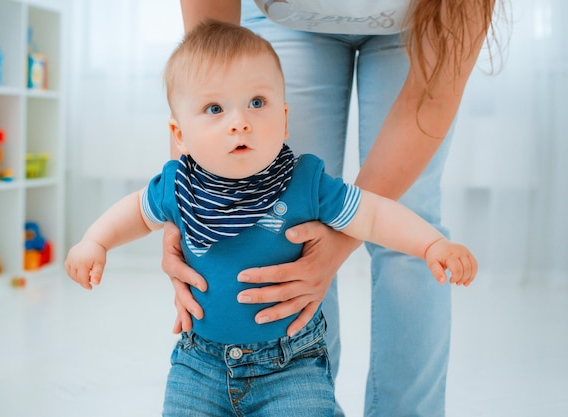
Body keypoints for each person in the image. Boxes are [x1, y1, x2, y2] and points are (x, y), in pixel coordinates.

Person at [66, 21, 477, 416]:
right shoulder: (178, 186)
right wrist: (95, 241)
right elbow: (136, 211)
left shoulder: (305, 182)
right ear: (180, 134)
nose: (240, 121)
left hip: (291, 366)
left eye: (257, 103)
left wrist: (430, 243)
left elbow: (373, 213)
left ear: (284, 118)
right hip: (199, 365)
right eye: (214, 108)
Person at [163, 1, 502, 417]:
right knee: (288, 227)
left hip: (418, 22)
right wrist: (190, 210)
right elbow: (199, 75)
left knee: (409, 230)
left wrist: (371, 239)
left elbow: (432, 100)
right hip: (285, 20)